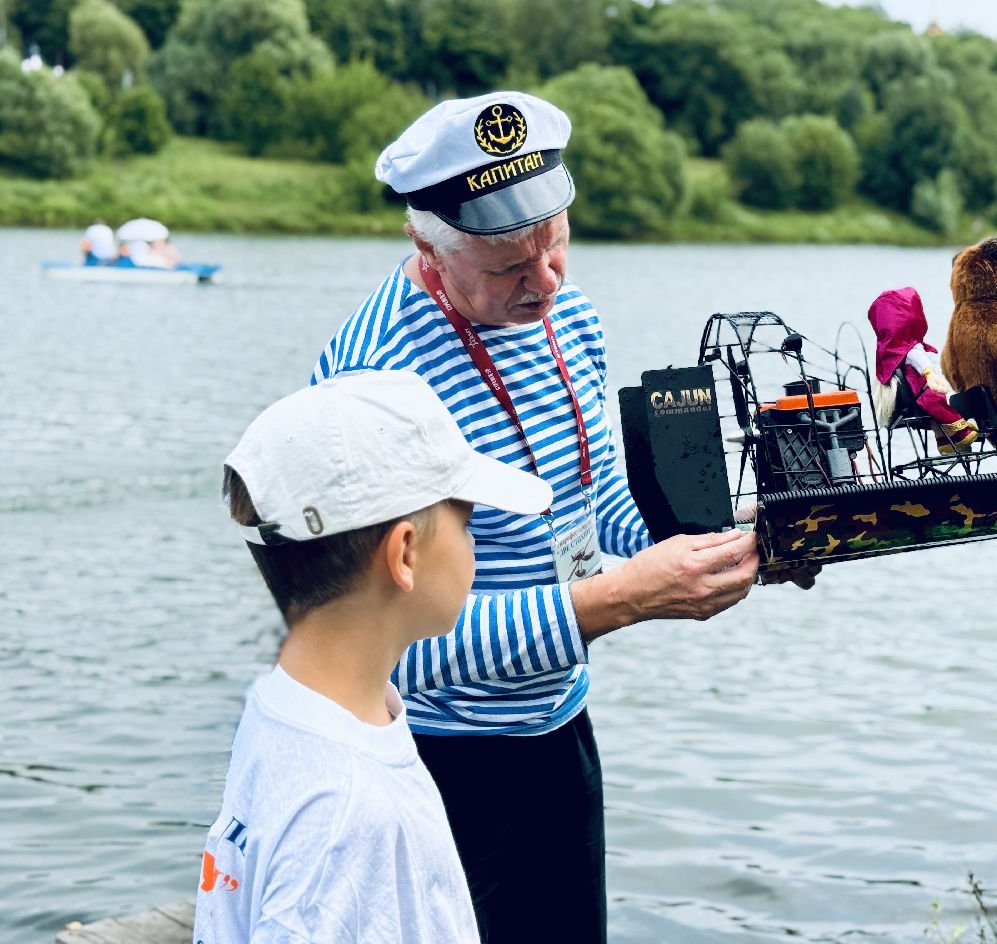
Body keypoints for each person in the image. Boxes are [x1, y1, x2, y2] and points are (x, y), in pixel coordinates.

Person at [312, 91, 760, 943]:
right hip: (432, 763)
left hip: (557, 728)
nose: (545, 281)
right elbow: (382, 649)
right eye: (510, 266)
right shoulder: (378, 379)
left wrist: (721, 543)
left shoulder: (570, 316)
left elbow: (597, 512)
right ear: (426, 247)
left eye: (554, 242)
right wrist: (618, 601)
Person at [195, 368, 553, 943]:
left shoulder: (295, 705)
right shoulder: (344, 817)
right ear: (405, 553)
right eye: (466, 522)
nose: (475, 543)